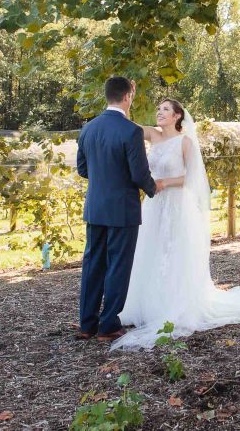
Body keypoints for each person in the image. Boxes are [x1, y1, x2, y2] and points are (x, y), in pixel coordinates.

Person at [112, 97, 240, 350]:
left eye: (165, 110)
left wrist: (162, 183)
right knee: (150, 250)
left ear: (177, 116)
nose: (159, 112)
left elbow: (192, 178)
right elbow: (126, 125)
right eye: (158, 108)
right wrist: (130, 97)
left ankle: (173, 303)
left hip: (175, 204)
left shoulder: (185, 142)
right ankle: (145, 304)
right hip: (153, 205)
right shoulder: (152, 135)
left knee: (174, 251)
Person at [74, 77, 162, 341]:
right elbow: (138, 173)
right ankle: (109, 324)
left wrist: (105, 179)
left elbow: (82, 169)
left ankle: (87, 324)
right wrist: (152, 188)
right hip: (122, 209)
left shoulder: (88, 129)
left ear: (107, 96)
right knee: (118, 265)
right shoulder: (130, 130)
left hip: (96, 207)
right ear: (127, 97)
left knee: (93, 263)